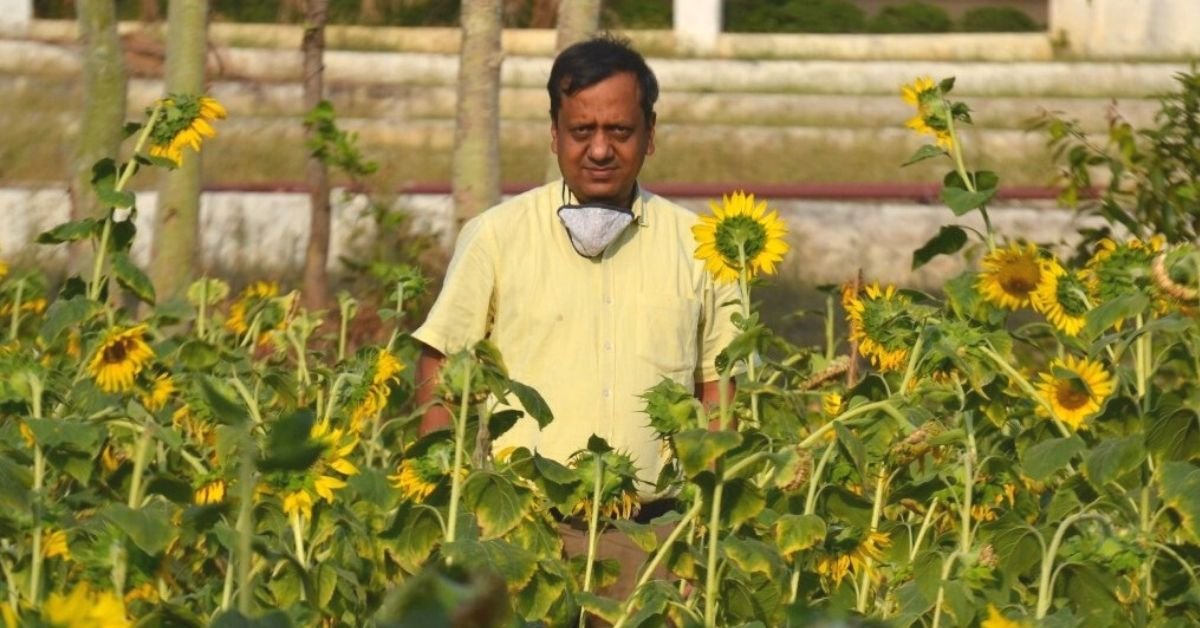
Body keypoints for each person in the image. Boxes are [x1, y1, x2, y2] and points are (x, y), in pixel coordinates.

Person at [413, 34, 739, 505]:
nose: (600, 150)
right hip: (522, 519)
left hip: (658, 528)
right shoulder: (496, 237)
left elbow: (718, 388)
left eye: (620, 131)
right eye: (582, 131)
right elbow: (443, 364)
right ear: (554, 133)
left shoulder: (700, 246)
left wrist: (705, 517)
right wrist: (442, 495)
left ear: (650, 133)